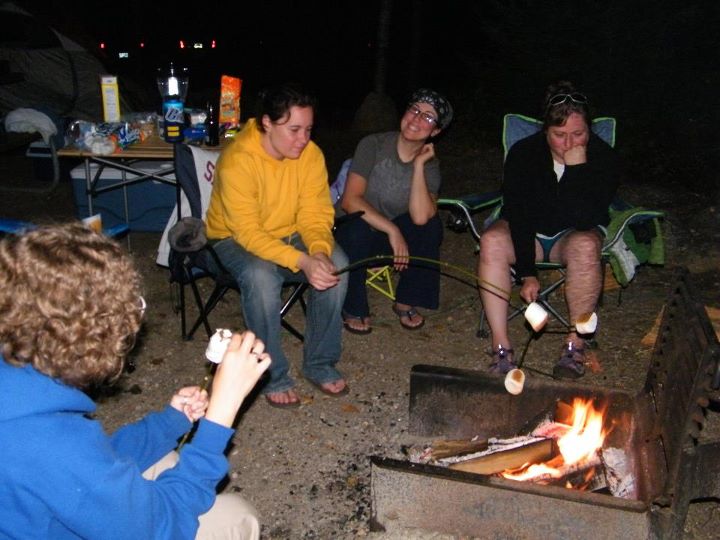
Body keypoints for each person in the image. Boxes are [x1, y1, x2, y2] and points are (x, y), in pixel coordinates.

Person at [0, 223, 271, 539]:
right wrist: (219, 418)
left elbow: (93, 463)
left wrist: (168, 424)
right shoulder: (50, 444)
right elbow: (163, 527)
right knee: (239, 516)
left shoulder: (20, 387)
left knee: (166, 458)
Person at [205, 83, 348, 408]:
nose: (303, 139)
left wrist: (319, 252)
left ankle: (320, 362)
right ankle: (273, 375)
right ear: (266, 123)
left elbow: (315, 213)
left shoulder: (310, 155)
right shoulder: (238, 161)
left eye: (308, 129)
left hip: (289, 232)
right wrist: (302, 261)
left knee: (335, 264)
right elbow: (249, 233)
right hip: (231, 237)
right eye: (294, 129)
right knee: (261, 275)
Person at [477, 81, 621, 379]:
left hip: (571, 235)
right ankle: (501, 348)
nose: (569, 143)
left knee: (585, 245)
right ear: (545, 131)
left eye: (578, 134)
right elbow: (518, 214)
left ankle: (574, 345)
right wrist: (528, 272)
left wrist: (577, 170)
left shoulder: (602, 156)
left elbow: (585, 220)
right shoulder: (524, 153)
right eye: (559, 135)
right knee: (492, 240)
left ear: (589, 130)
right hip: (528, 231)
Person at [335, 88, 453, 334]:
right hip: (353, 233)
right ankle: (353, 305)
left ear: (436, 131)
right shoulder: (373, 145)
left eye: (428, 117)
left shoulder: (431, 165)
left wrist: (419, 165)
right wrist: (392, 231)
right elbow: (350, 200)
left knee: (431, 225)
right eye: (415, 110)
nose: (417, 119)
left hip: (390, 242)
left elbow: (421, 217)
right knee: (356, 226)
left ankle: (406, 300)